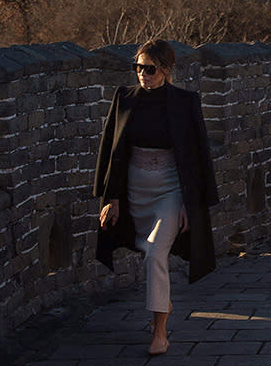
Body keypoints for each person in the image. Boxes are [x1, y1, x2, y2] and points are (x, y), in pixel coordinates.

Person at [94, 39, 219, 355]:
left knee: (154, 253)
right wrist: (111, 198)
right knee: (149, 253)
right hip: (135, 189)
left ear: (165, 69)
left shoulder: (185, 102)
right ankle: (162, 304)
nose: (142, 74)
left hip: (170, 189)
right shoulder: (124, 98)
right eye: (137, 67)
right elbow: (112, 149)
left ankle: (160, 332)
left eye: (149, 69)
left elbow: (198, 154)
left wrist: (193, 204)